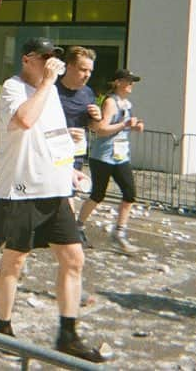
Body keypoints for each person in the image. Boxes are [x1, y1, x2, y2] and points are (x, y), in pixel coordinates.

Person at [0, 37, 109, 363]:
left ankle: (67, 334)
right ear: (28, 59)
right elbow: (24, 121)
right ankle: (2, 328)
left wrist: (68, 168)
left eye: (54, 57)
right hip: (21, 190)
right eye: (45, 57)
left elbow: (55, 134)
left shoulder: (51, 92)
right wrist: (46, 83)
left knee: (74, 259)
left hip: (55, 189)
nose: (51, 63)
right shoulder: (13, 88)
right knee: (14, 261)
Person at [76, 69, 145, 254]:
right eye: (128, 81)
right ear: (118, 82)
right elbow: (101, 129)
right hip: (103, 156)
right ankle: (78, 226)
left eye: (133, 81)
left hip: (120, 156)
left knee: (130, 194)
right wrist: (125, 125)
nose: (132, 85)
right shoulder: (110, 102)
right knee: (97, 195)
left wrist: (135, 127)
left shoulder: (127, 103)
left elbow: (123, 127)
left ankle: (119, 233)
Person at [56, 47, 102, 218]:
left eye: (90, 70)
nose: (87, 74)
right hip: (52, 153)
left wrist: (97, 118)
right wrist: (64, 133)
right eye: (83, 69)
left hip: (75, 153)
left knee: (69, 193)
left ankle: (69, 234)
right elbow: (36, 124)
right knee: (54, 194)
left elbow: (94, 128)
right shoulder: (52, 89)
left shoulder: (87, 93)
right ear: (69, 67)